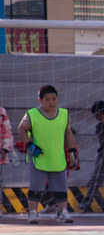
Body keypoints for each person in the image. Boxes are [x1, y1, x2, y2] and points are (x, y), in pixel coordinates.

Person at [16, 85, 79, 224]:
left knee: (61, 187)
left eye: (54, 99)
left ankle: (63, 212)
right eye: (47, 99)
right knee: (36, 187)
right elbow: (21, 129)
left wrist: (72, 150)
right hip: (39, 157)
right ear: (40, 100)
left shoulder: (64, 114)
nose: (51, 102)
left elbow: (68, 133)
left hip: (57, 157)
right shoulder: (32, 114)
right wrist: (30, 145)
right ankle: (32, 213)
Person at [79, 100, 104, 212]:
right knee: (94, 180)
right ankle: (88, 201)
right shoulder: (99, 127)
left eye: (100, 115)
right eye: (96, 116)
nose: (98, 118)